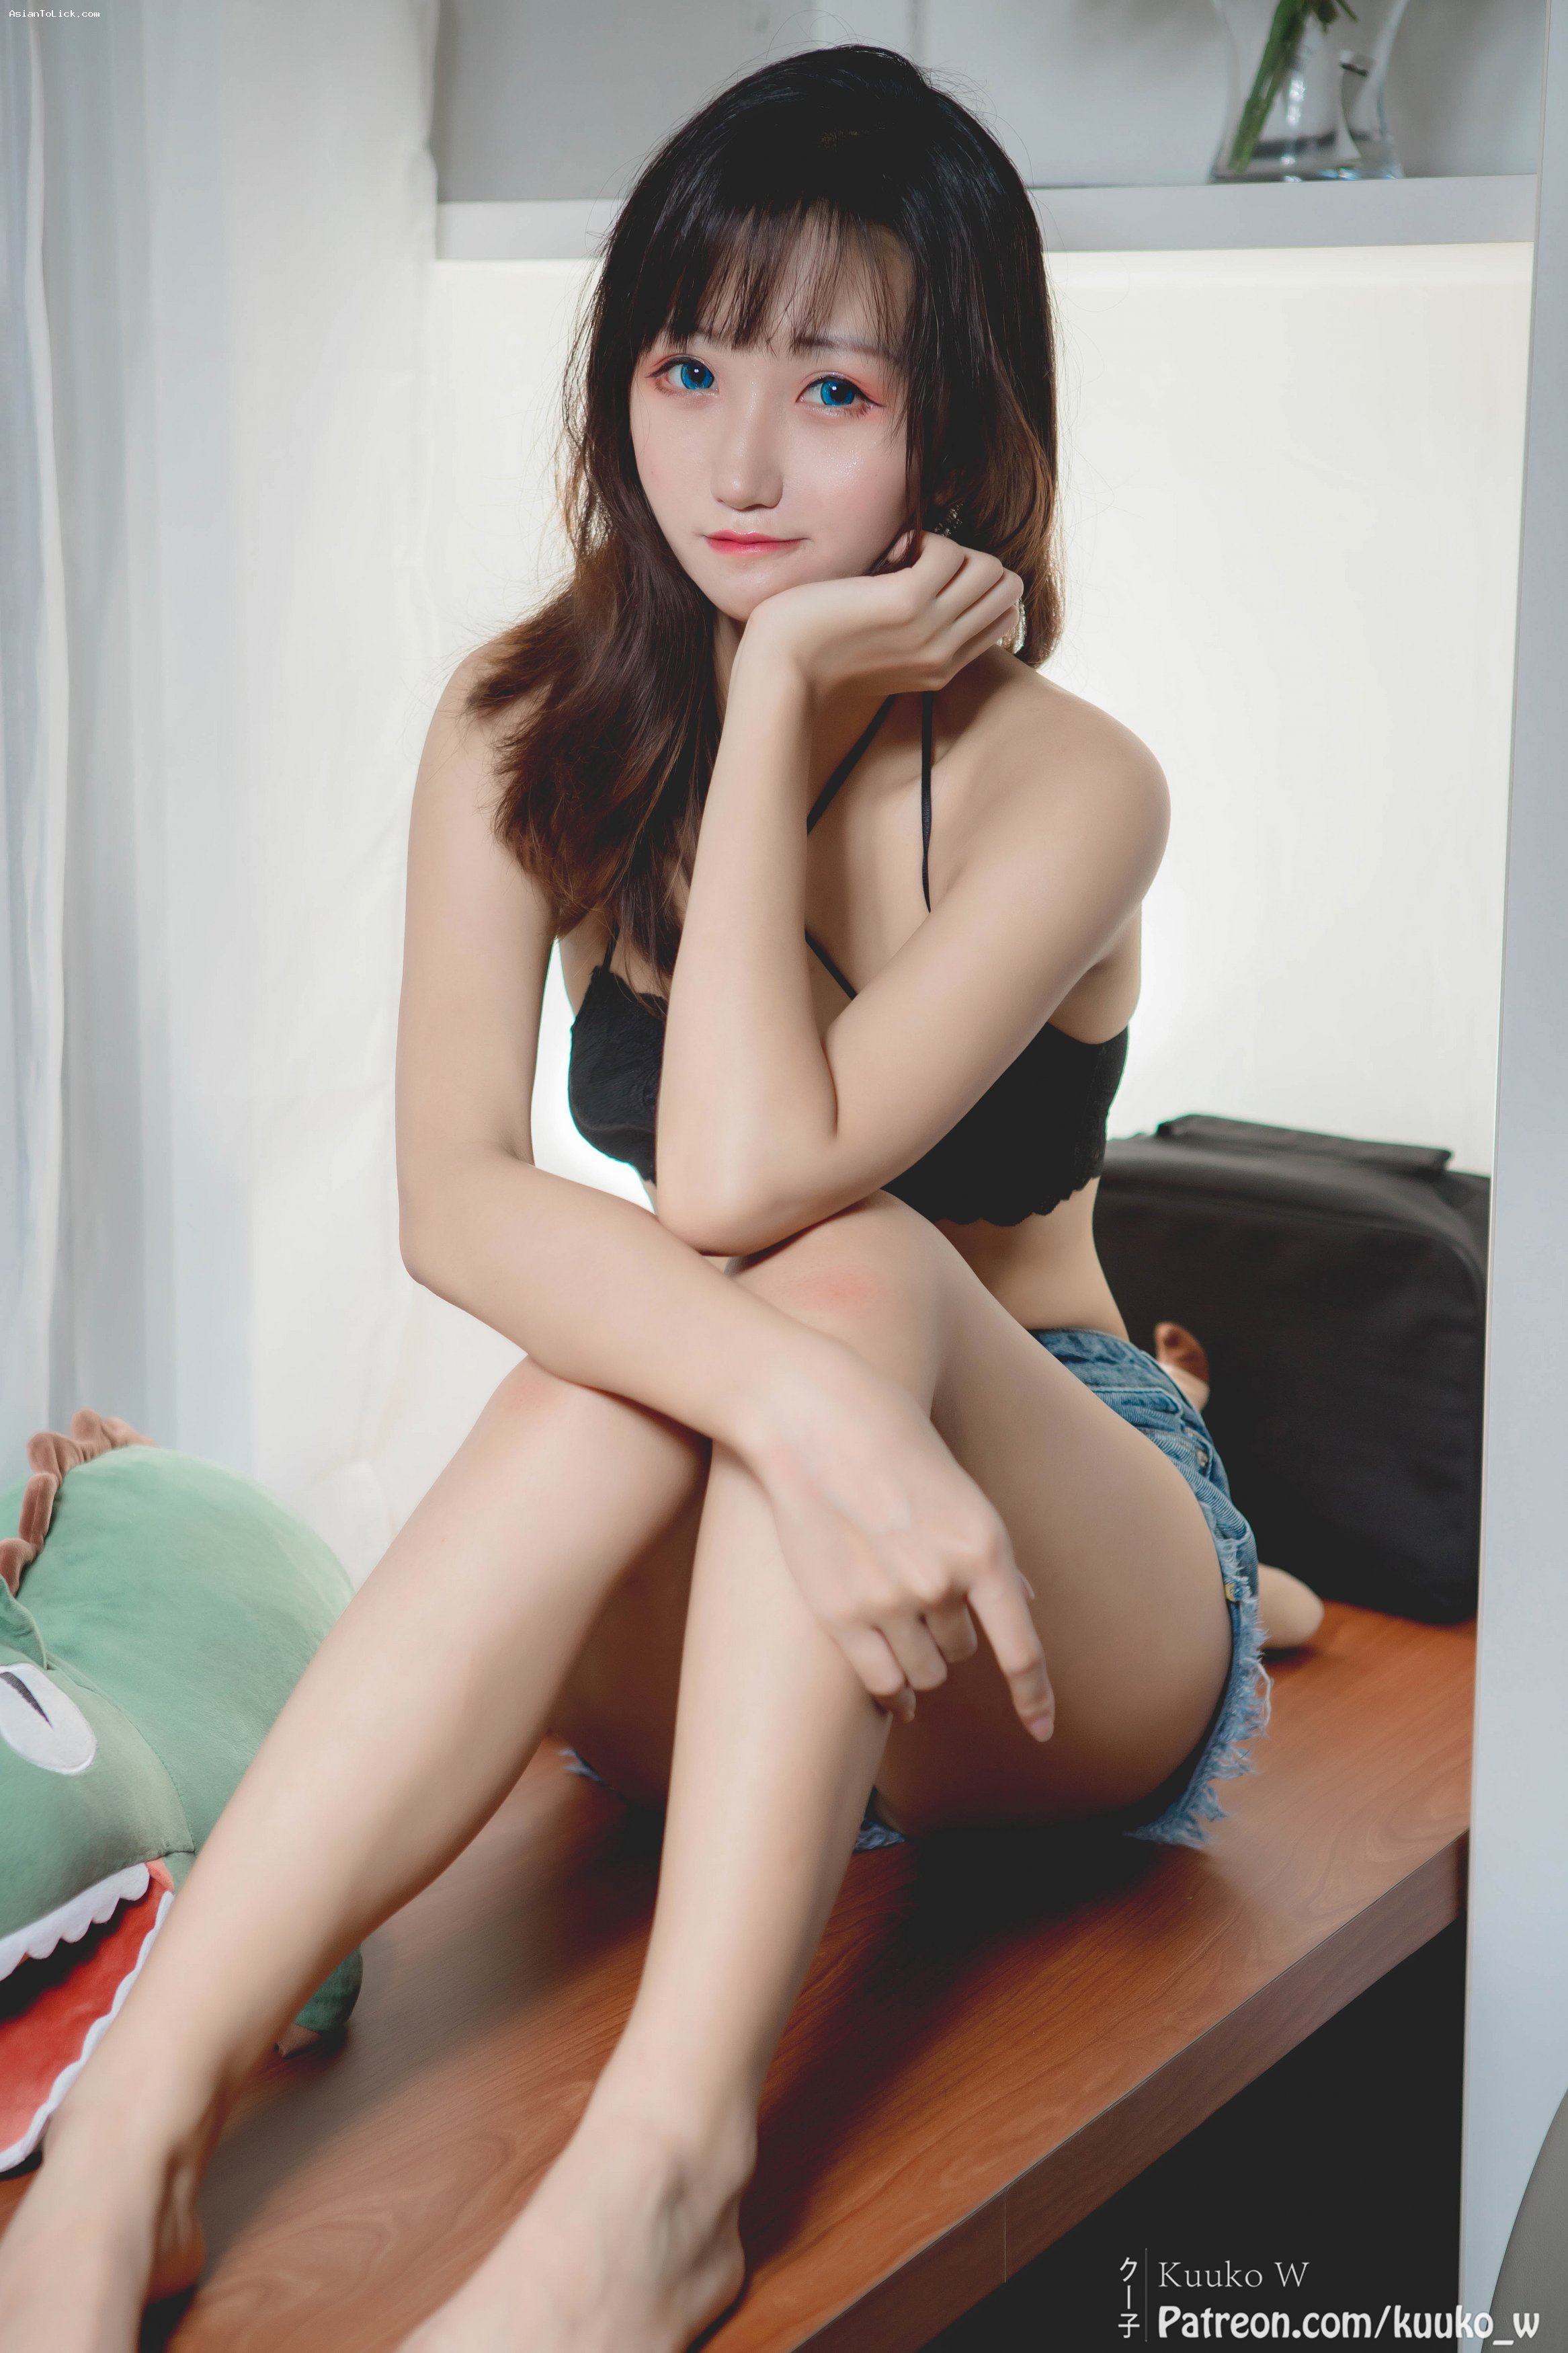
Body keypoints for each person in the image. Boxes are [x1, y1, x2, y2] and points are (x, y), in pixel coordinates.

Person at [0, 45, 1280, 2353]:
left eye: (833, 388)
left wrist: (776, 696)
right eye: (688, 367)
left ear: (962, 421)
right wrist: (800, 1414)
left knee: (837, 1262)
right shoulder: (523, 728)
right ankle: (126, 2143)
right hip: (745, 1579)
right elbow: (456, 1206)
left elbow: (741, 1175)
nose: (738, 461)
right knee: (662, 1354)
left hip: (1033, 1601)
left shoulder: (1070, 786)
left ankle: (660, 2186)